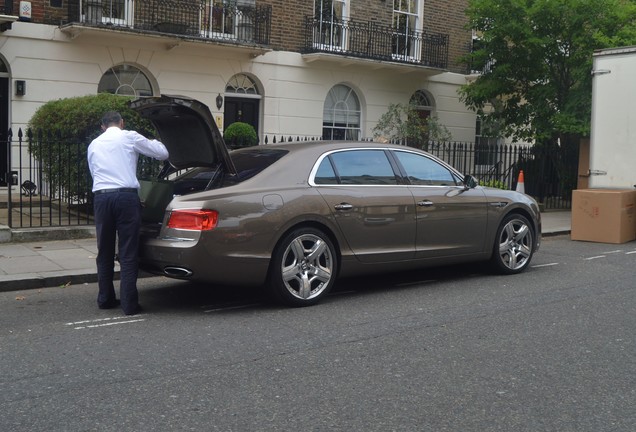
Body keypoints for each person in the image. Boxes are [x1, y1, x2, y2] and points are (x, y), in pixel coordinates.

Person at [87, 111, 169, 315]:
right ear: (121, 123)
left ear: (102, 126)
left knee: (104, 250)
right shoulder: (130, 136)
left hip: (102, 197)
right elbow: (162, 153)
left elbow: (94, 172)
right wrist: (158, 138)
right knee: (128, 250)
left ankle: (105, 298)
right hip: (126, 197)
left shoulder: (94, 144)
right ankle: (129, 304)